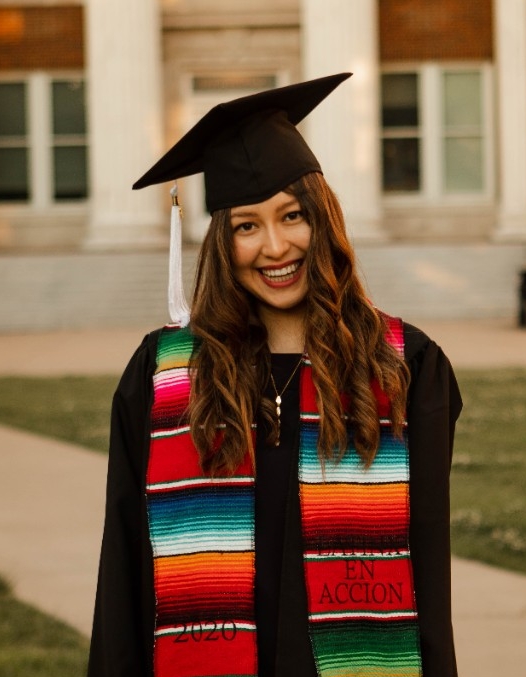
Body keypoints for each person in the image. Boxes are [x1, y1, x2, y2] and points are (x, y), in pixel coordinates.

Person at [88, 73, 462, 677]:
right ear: (221, 240)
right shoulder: (163, 378)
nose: (275, 246)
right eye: (246, 226)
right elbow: (125, 570)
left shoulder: (403, 367)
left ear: (324, 220)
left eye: (292, 216)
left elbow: (427, 579)